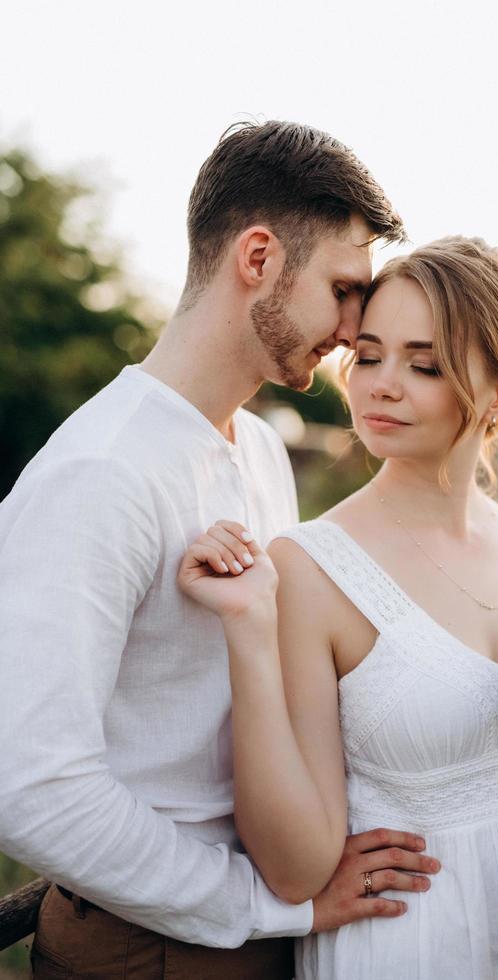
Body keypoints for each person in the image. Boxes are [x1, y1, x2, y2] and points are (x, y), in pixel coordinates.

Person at [0, 120, 442, 979]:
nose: (357, 328)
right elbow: (32, 787)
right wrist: (254, 904)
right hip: (150, 948)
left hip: (268, 919)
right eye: (346, 289)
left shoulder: (262, 451)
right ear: (259, 258)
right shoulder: (99, 473)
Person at [179, 236, 498, 979]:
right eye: (366, 354)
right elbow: (296, 871)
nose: (380, 386)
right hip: (407, 945)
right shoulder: (310, 566)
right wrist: (247, 629)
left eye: (423, 365)